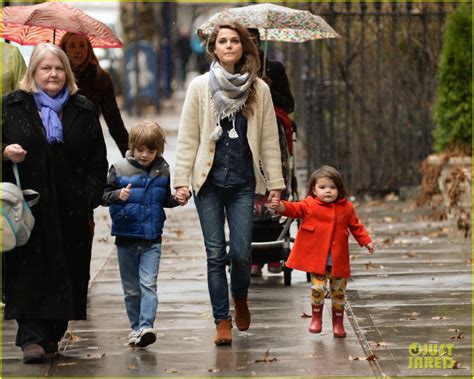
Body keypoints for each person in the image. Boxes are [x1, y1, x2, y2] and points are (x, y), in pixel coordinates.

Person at [173, 22, 285, 346]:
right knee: (214, 255)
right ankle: (221, 320)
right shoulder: (199, 87)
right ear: (214, 48)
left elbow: (268, 140)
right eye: (222, 41)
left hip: (242, 181)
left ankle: (240, 296)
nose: (229, 46)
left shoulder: (259, 89)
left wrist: (275, 182)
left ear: (243, 47)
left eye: (235, 40)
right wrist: (180, 181)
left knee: (240, 254)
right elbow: (188, 138)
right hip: (207, 182)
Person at [2, 43, 108, 363]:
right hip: (29, 207)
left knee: (69, 272)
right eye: (45, 68)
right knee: (29, 271)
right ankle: (30, 337)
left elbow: (97, 159)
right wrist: (5, 153)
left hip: (71, 209)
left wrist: (89, 196)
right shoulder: (12, 105)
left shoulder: (83, 108)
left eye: (59, 68)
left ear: (67, 73)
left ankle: (52, 332)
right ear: (33, 72)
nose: (53, 74)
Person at [102, 120, 183, 348]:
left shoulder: (163, 170)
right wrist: (118, 195)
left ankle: (146, 326)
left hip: (151, 239)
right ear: (132, 147)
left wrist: (177, 199)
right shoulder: (119, 169)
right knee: (131, 289)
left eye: (150, 150)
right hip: (126, 237)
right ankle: (136, 328)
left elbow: (163, 199)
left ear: (158, 150)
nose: (145, 154)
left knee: (148, 283)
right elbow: (103, 196)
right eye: (140, 149)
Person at [269, 165, 375, 338]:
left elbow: (356, 226)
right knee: (317, 289)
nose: (328, 191)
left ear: (339, 189)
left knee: (339, 293)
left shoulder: (346, 207)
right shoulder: (309, 204)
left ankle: (338, 324)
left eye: (332, 187)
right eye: (323, 187)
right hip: (318, 262)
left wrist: (366, 242)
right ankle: (316, 319)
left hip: (338, 262)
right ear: (314, 189)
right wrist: (280, 206)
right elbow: (294, 209)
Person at [247, 28, 296, 277]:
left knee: (272, 190)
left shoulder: (273, 67)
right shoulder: (233, 70)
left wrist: (269, 89)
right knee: (251, 194)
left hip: (274, 136)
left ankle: (276, 248)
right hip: (245, 138)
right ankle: (253, 254)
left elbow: (289, 104)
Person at [59, 32, 129, 156]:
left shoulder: (101, 78)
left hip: (91, 147)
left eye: (82, 45)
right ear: (64, 50)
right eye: (72, 46)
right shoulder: (57, 77)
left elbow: (113, 119)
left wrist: (130, 154)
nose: (78, 50)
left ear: (89, 49)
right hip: (61, 147)